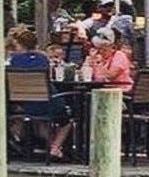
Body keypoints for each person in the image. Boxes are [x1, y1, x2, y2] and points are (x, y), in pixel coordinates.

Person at [7, 25, 73, 159]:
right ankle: (55, 147)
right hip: (46, 103)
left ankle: (27, 144)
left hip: (24, 105)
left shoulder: (13, 61)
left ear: (18, 45)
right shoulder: (43, 59)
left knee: (36, 120)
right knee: (67, 120)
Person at [84, 27, 134, 92]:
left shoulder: (119, 56)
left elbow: (109, 77)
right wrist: (90, 61)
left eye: (103, 48)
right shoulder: (99, 57)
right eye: (97, 48)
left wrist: (96, 63)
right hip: (103, 89)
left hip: (120, 91)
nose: (99, 51)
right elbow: (86, 74)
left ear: (112, 47)